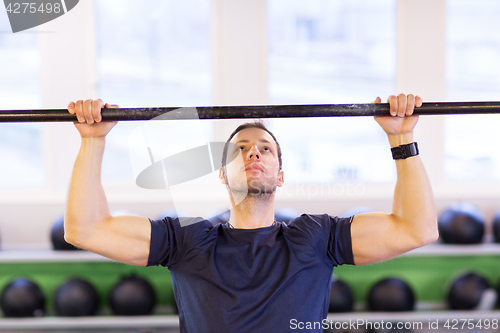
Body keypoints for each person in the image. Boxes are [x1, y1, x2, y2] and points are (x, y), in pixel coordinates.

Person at [64, 94, 438, 333]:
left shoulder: (314, 237)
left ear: (281, 175)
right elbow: (85, 230)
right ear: (223, 174)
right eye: (240, 149)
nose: (253, 153)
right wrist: (92, 141)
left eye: (265, 149)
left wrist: (401, 139)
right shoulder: (188, 240)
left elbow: (416, 229)